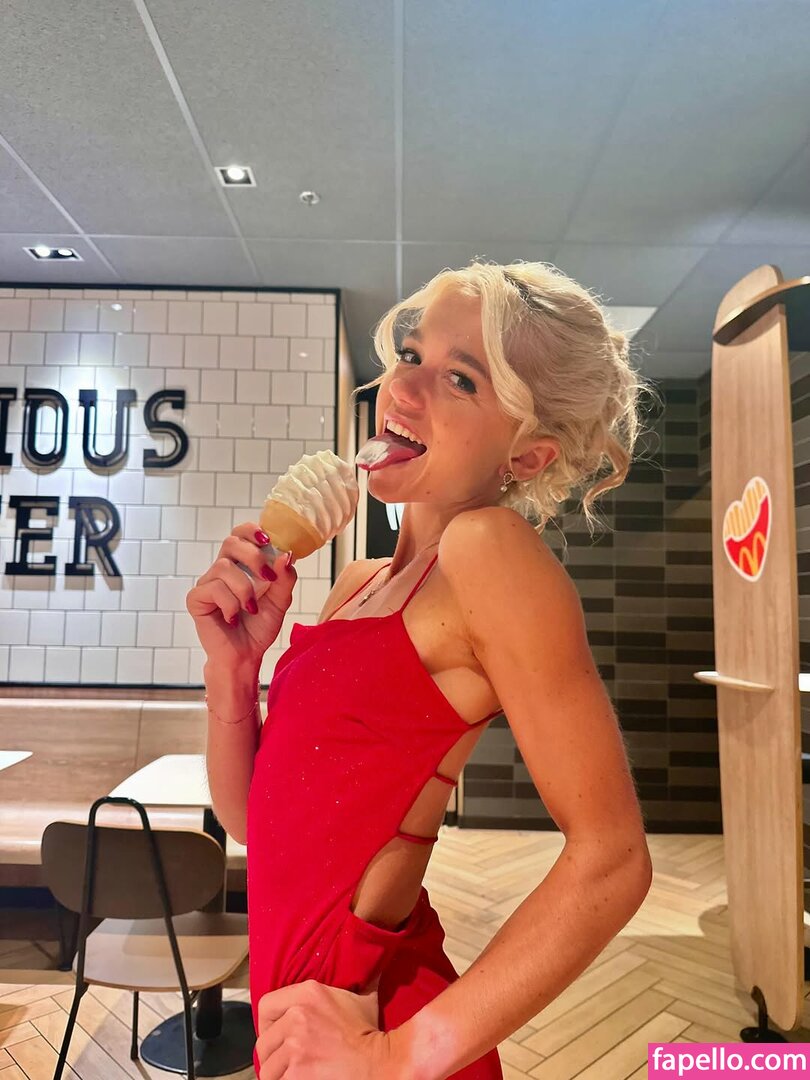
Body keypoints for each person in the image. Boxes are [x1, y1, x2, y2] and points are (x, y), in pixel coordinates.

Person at [187, 259, 658, 1080]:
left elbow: (613, 860)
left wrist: (399, 1055)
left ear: (528, 455)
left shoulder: (486, 550)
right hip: (297, 1026)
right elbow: (257, 824)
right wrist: (232, 673)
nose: (401, 389)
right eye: (411, 355)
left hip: (371, 1025)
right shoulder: (358, 580)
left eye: (460, 378)